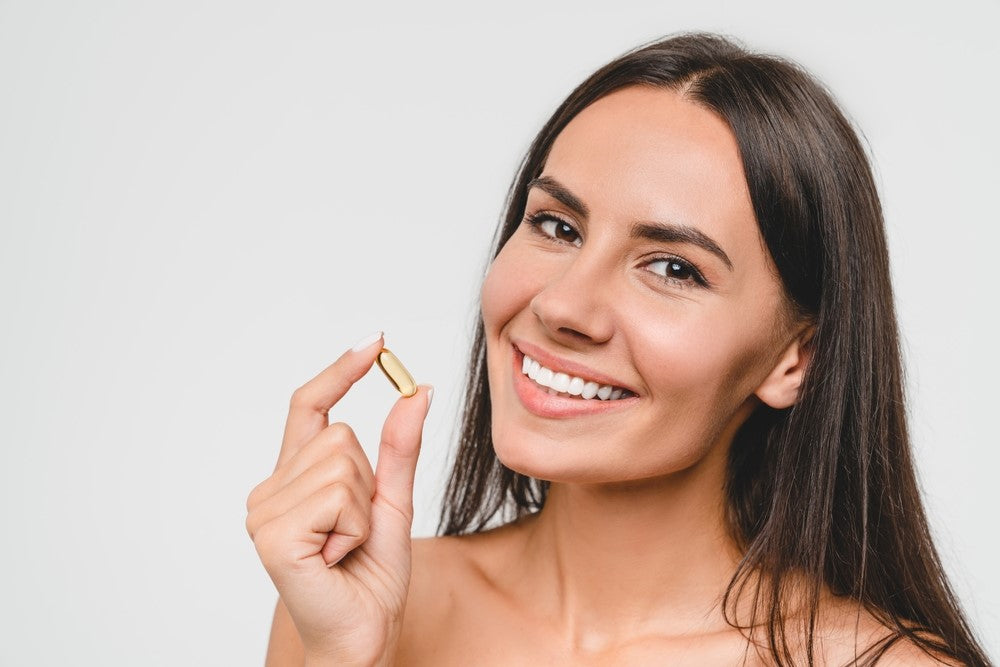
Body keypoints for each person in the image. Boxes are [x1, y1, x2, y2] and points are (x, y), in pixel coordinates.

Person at [245, 32, 991, 665]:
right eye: (557, 226)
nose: (562, 305)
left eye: (673, 268)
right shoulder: (349, 609)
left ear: (795, 359)